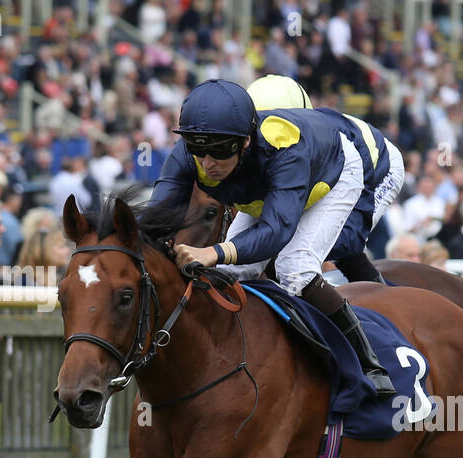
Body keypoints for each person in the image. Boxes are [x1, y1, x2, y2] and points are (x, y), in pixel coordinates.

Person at [154, 79, 395, 396]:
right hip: (284, 174)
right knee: (229, 271)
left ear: (245, 142)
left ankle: (368, 362)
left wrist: (213, 251)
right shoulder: (194, 150)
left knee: (296, 267)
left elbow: (277, 231)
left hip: (344, 170)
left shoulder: (286, 147)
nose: (207, 163)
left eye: (219, 151)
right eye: (199, 150)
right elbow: (156, 216)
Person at [244, 74, 406, 286]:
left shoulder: (314, 144)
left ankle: (381, 307)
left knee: (336, 242)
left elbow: (349, 238)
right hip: (332, 167)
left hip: (378, 168)